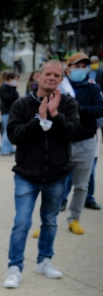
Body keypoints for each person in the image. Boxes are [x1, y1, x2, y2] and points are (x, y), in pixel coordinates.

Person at [3, 60, 81, 289]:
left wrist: (56, 115)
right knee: (22, 222)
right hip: (27, 175)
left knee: (49, 221)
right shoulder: (21, 105)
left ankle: (44, 261)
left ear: (61, 78)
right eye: (48, 74)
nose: (52, 78)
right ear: (38, 76)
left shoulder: (68, 104)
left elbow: (73, 133)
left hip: (57, 175)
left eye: (57, 75)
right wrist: (39, 120)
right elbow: (14, 135)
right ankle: (14, 267)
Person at [59, 53, 103, 234]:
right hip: (63, 142)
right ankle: (48, 220)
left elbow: (100, 109)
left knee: (81, 185)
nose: (81, 69)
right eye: (76, 66)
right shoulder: (60, 87)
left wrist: (80, 109)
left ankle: (74, 219)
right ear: (68, 68)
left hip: (86, 142)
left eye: (83, 66)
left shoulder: (93, 88)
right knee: (56, 183)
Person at [0, 70, 20, 156]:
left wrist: (14, 89)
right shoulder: (3, 87)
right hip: (6, 111)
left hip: (11, 111)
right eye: (14, 79)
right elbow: (8, 98)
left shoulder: (10, 87)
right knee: (6, 130)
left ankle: (10, 148)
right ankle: (4, 149)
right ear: (9, 79)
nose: (15, 81)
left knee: (10, 130)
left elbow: (16, 97)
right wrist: (13, 88)